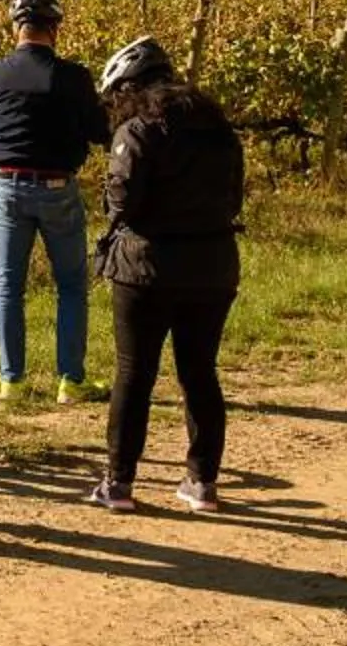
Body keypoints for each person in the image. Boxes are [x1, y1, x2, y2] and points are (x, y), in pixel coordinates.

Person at [90, 37, 246, 513]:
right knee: (199, 373)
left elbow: (122, 202)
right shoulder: (220, 130)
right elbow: (234, 199)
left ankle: (118, 484)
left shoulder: (135, 132)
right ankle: (202, 483)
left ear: (130, 88)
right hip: (213, 265)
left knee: (134, 373)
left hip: (145, 267)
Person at [0, 0, 110, 401]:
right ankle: (71, 381)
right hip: (56, 187)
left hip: (7, 186)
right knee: (70, 283)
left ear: (17, 28)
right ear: (54, 28)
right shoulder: (74, 76)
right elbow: (100, 131)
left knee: (9, 283)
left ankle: (11, 382)